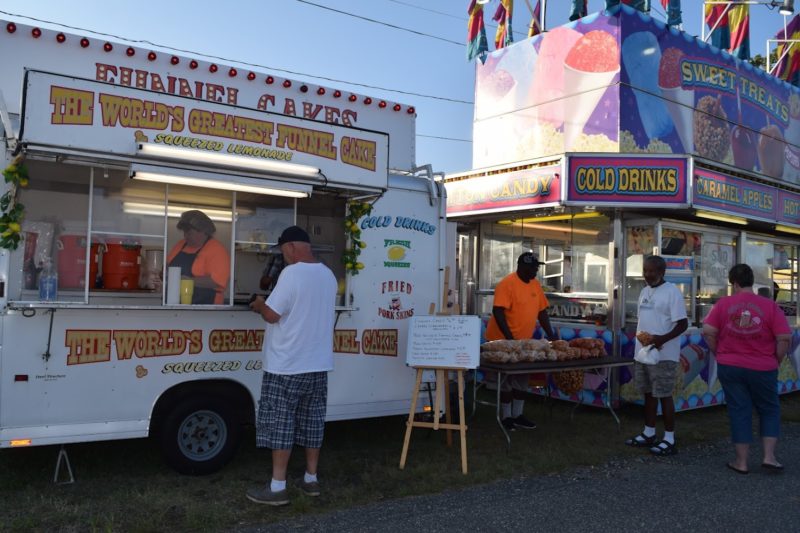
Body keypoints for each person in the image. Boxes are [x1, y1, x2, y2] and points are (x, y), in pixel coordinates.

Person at [246, 225, 337, 506]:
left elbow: (273, 315)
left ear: (290, 248)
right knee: (312, 422)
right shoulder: (328, 275)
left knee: (281, 424)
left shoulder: (291, 273)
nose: (283, 257)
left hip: (286, 364)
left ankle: (277, 488)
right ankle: (311, 480)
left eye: (283, 251)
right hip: (317, 364)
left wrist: (259, 305)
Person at [702, 264, 791, 474]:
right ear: (752, 282)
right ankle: (769, 457)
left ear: (734, 283)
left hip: (730, 365)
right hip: (763, 366)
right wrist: (775, 359)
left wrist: (719, 353)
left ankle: (741, 462)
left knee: (739, 410)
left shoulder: (723, 304)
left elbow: (708, 332)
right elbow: (784, 338)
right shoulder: (769, 306)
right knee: (769, 409)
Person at [484, 251, 556, 432]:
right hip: (501, 341)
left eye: (537, 267)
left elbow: (542, 312)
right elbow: (498, 311)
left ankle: (518, 415)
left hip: (523, 342)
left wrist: (551, 334)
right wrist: (509, 338)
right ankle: (506, 417)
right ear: (522, 266)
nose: (536, 270)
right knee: (507, 380)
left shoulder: (535, 285)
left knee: (522, 378)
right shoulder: (507, 284)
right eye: (533, 267)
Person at [625, 255, 688, 456]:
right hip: (643, 353)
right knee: (648, 394)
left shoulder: (672, 293)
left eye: (652, 271)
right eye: (645, 270)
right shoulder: (644, 291)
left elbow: (682, 324)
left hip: (663, 354)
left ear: (662, 272)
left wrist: (662, 339)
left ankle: (669, 438)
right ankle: (648, 432)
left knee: (663, 395)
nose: (648, 275)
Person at [166, 210, 230, 305]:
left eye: (189, 232)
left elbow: (217, 282)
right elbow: (167, 267)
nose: (185, 235)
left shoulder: (217, 250)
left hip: (206, 309)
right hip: (175, 305)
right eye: (184, 231)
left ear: (202, 231)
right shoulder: (180, 245)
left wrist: (188, 281)